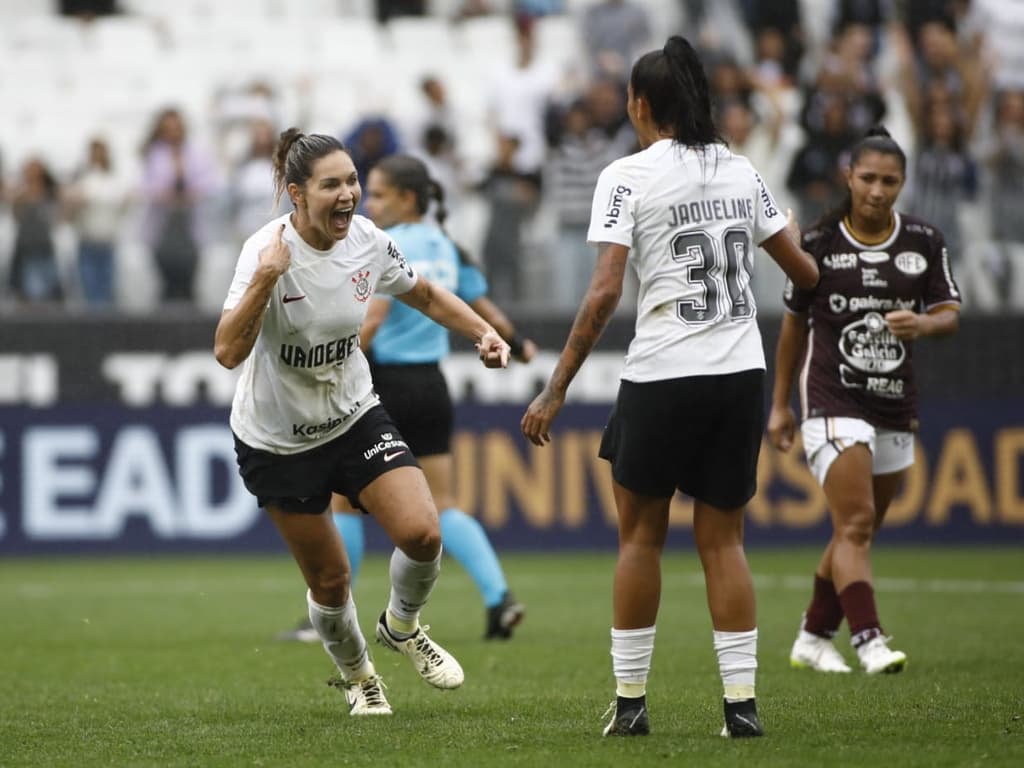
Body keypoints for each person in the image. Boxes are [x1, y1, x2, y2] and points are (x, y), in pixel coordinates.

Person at [521, 35, 820, 739]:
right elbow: (803, 276)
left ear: (642, 104)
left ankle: (630, 707)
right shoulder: (742, 171)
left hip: (661, 372)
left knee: (640, 540)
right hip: (739, 373)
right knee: (724, 542)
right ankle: (741, 708)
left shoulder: (625, 175)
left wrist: (554, 389)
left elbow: (601, 296)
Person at [214, 129, 511, 716]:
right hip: (277, 441)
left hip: (352, 414)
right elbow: (227, 351)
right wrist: (265, 280)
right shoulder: (264, 252)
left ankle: (402, 627)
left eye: (353, 181)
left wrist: (482, 330)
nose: (349, 194)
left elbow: (424, 295)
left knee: (424, 534)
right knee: (330, 582)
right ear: (297, 194)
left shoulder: (369, 242)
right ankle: (360, 678)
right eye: (333, 185)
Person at [281, 153, 535, 644]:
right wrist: (516, 343)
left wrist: (327, 374)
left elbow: (372, 319)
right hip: (432, 387)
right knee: (443, 504)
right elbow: (480, 307)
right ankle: (498, 595)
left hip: (386, 386)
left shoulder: (386, 245)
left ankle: (334, 611)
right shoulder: (447, 245)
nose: (365, 203)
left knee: (343, 503)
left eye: (376, 193)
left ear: (407, 198)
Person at [767, 126, 961, 675]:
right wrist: (780, 404)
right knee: (854, 525)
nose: (878, 191)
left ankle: (812, 635)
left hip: (894, 402)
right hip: (831, 399)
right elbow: (793, 328)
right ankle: (870, 639)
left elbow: (950, 315)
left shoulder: (924, 241)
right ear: (848, 177)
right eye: (868, 178)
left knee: (859, 528)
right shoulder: (820, 244)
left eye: (890, 181)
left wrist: (922, 323)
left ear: (903, 183)